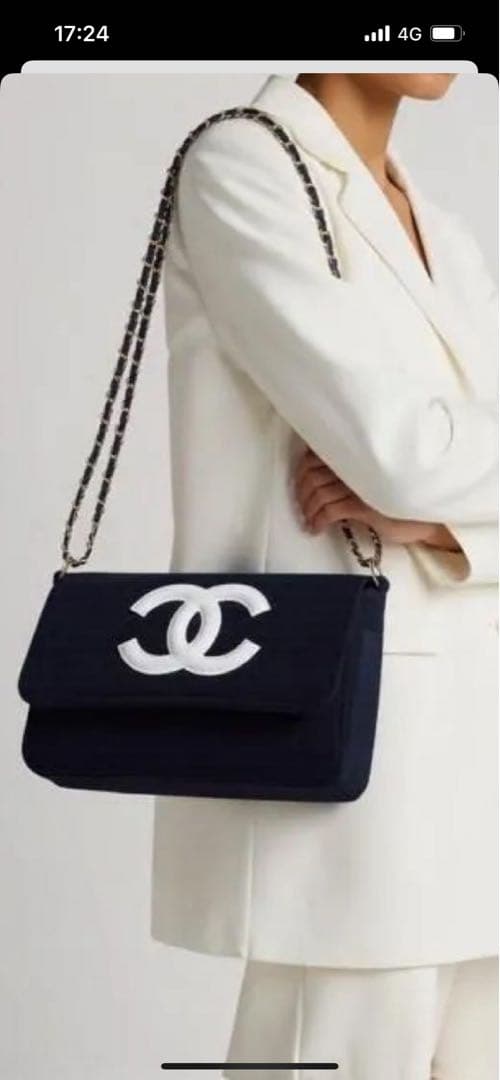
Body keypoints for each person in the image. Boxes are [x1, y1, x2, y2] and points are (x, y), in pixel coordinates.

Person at [151, 73, 499, 1079]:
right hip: (346, 745)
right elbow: (401, 452)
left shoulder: (442, 232)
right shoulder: (241, 164)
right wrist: (429, 490)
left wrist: (439, 518)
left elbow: (431, 473)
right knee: (343, 1039)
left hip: (470, 744)